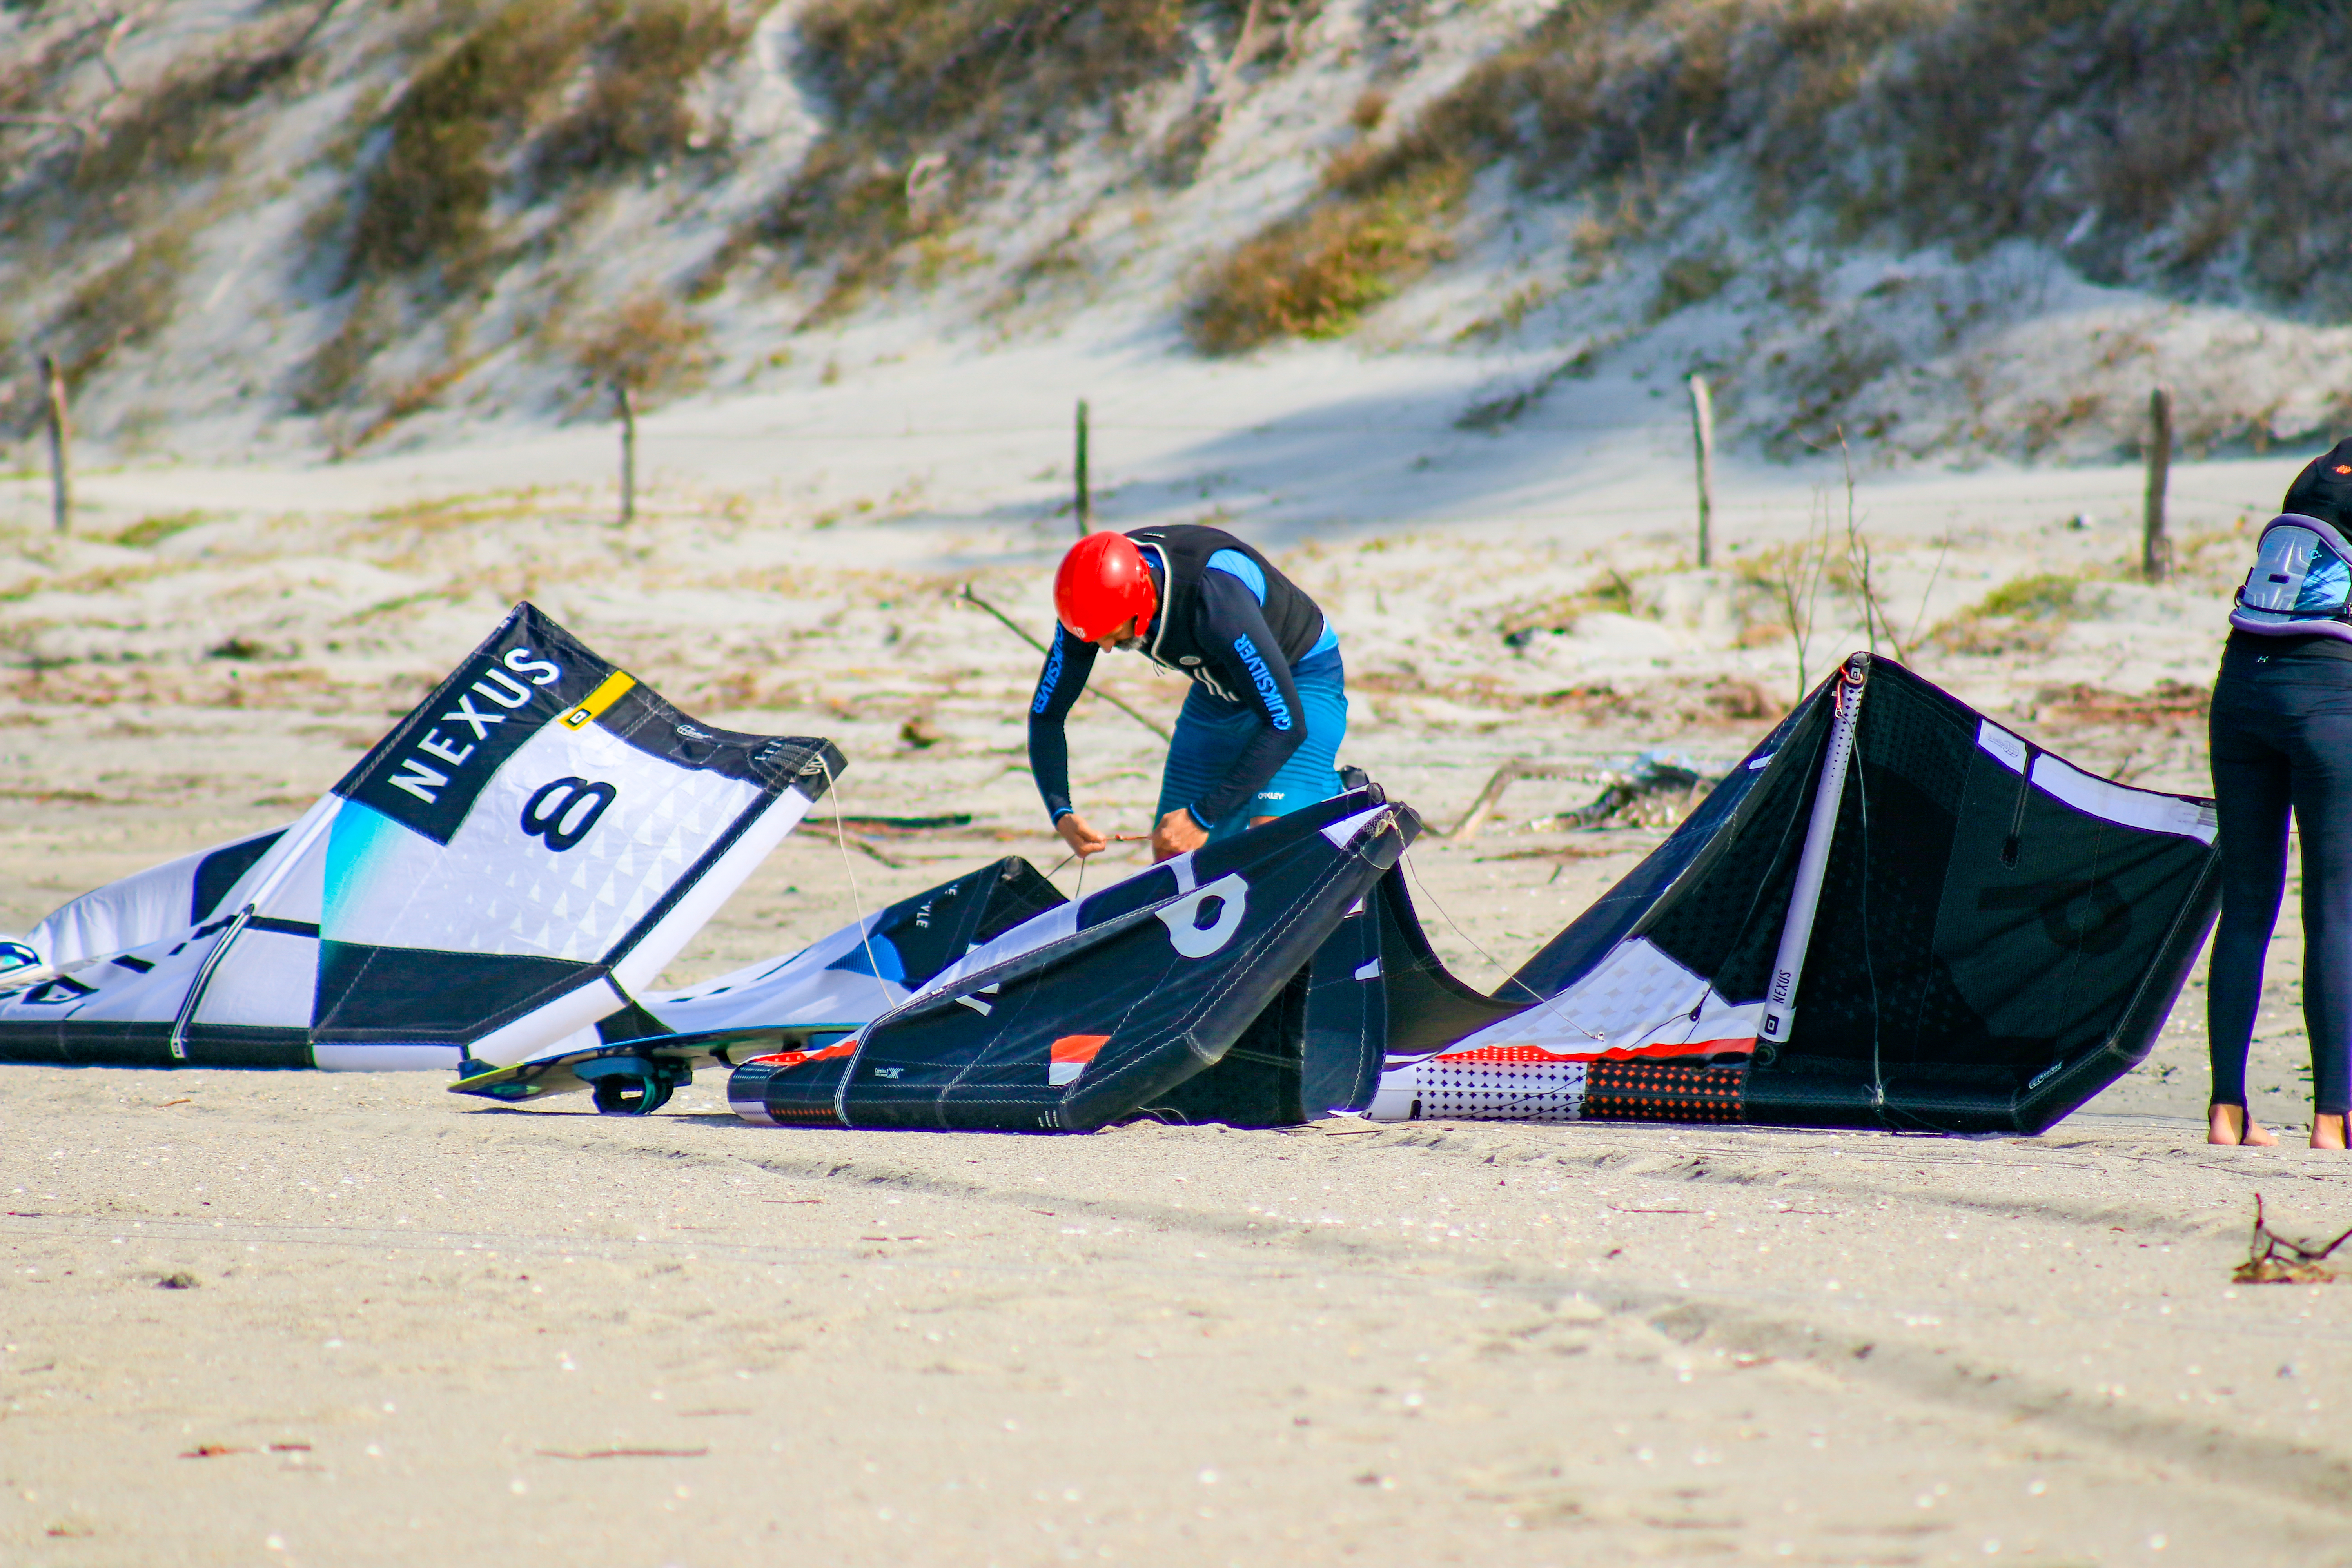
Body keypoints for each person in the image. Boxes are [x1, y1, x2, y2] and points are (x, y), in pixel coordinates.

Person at [1031, 525, 1347, 865]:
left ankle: (1339, 798)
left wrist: (1202, 815)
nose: (1104, 648)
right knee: (1173, 852)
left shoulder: (1214, 602)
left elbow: (1287, 725)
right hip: (1219, 687)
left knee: (1269, 836)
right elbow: (1046, 716)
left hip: (1301, 676)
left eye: (1112, 635)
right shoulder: (1090, 606)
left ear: (1143, 602)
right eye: (1093, 638)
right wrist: (1060, 811)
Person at [2207, 436, 2352, 1148]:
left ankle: (2227, 1111)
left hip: (2239, 683)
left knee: (2246, 905)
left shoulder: (2321, 470)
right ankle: (2334, 1118)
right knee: (2333, 907)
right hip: (2326, 693)